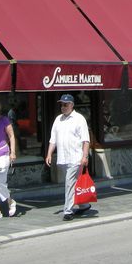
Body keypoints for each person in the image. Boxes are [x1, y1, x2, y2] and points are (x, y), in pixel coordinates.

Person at [45, 93, 91, 221]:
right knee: (73, 184)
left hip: (75, 157)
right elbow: (52, 139)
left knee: (69, 183)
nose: (63, 107)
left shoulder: (79, 119)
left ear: (72, 105)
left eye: (65, 104)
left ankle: (68, 211)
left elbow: (85, 140)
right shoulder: (58, 119)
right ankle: (84, 205)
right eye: (61, 105)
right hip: (63, 158)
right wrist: (49, 154)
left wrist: (84, 156)